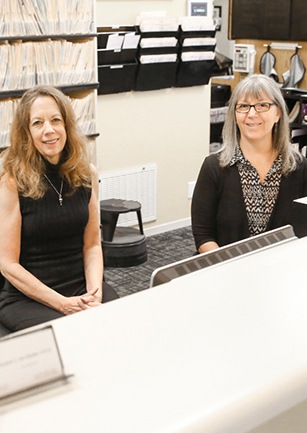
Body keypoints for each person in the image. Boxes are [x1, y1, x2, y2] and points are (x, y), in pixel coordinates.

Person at [0, 86, 119, 332]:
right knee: (71, 333)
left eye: (56, 120)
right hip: (28, 298)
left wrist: (94, 293)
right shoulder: (12, 182)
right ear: (26, 132)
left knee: (117, 322)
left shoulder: (87, 174)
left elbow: (93, 245)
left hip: (79, 286)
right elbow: (7, 264)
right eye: (37, 123)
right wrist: (63, 305)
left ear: (66, 125)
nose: (49, 130)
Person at [192, 73, 307, 253]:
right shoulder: (214, 166)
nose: (251, 114)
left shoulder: (300, 167)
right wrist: (229, 266)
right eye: (244, 106)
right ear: (235, 115)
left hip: (281, 269)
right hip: (226, 267)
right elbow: (203, 234)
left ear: (277, 113)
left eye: (262, 105)